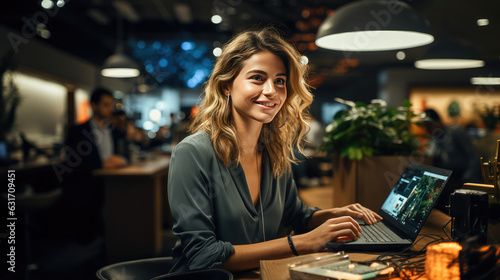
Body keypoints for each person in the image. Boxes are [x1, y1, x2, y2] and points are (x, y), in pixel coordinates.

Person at [167, 28, 382, 273]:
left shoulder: (274, 152)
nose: (272, 91)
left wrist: (335, 215)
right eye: (257, 78)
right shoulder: (192, 153)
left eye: (279, 81)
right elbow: (203, 257)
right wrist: (303, 242)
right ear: (227, 85)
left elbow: (295, 216)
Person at [60, 87, 127, 243]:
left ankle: (116, 241)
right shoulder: (77, 130)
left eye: (111, 104)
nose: (109, 109)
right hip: (88, 184)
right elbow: (72, 162)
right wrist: (103, 163)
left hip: (113, 183)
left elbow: (124, 152)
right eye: (105, 104)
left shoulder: (113, 130)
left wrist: (121, 160)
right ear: (94, 106)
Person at [422, 108, 482, 211]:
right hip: (448, 179)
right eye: (425, 126)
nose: (427, 130)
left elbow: (474, 155)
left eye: (428, 126)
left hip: (461, 178)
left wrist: (467, 179)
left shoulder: (455, 131)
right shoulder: (435, 137)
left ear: (438, 122)